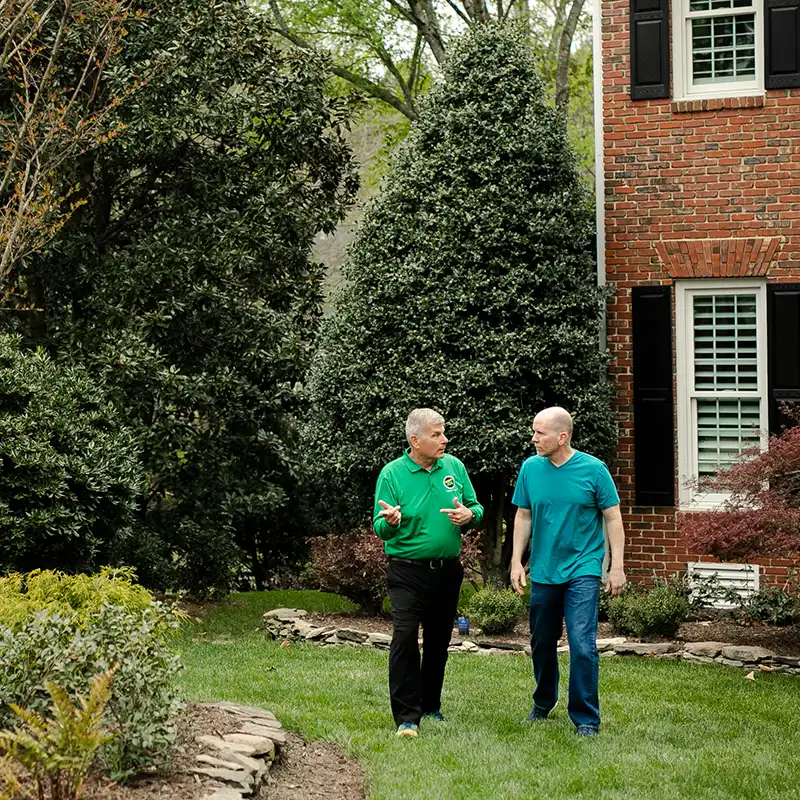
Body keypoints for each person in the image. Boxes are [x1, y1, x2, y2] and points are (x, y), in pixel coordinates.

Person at [510, 406, 625, 737]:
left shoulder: (594, 470)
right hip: (544, 569)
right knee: (542, 642)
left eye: (539, 433)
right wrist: (517, 561)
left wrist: (615, 566)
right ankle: (543, 702)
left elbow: (613, 518)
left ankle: (586, 717)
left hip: (583, 567)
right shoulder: (531, 469)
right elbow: (524, 516)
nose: (533, 439)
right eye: (533, 431)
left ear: (562, 437)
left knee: (582, 643)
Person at [373, 408, 484, 738]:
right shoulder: (392, 474)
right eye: (436, 434)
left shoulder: (454, 467)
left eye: (443, 432)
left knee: (439, 640)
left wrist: (470, 515)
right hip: (406, 571)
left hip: (447, 571)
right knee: (405, 637)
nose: (444, 439)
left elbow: (475, 508)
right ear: (415, 439)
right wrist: (390, 522)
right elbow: (380, 526)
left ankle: (431, 705)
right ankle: (407, 716)